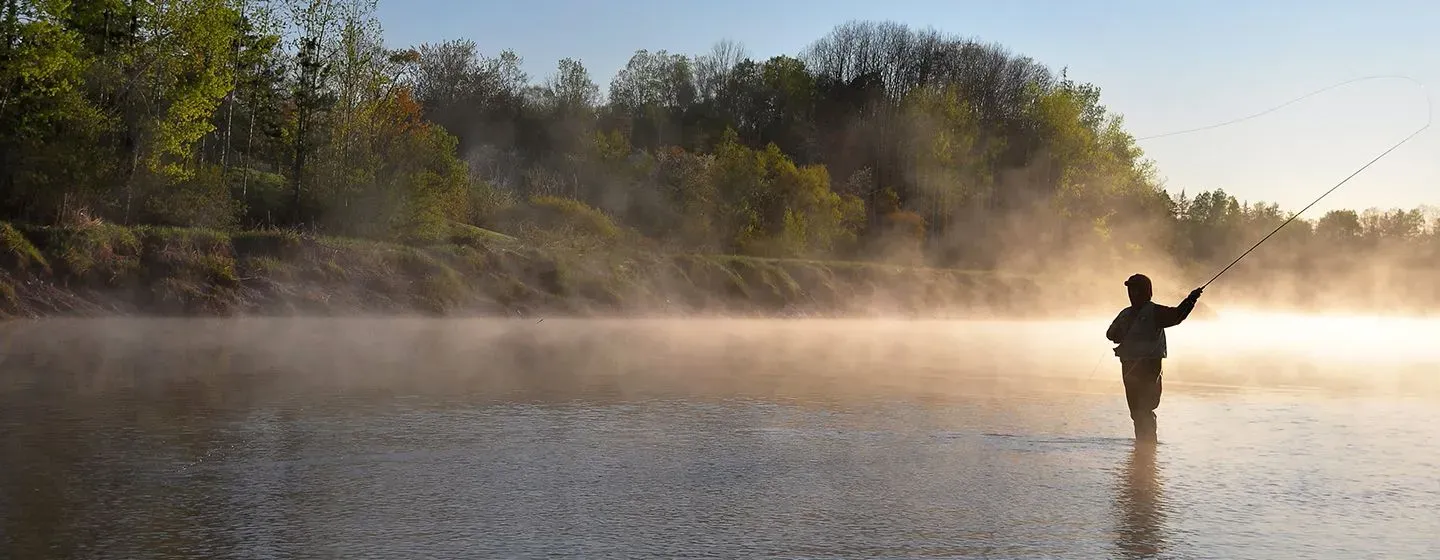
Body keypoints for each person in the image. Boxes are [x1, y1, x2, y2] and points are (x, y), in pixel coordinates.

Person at [1105, 274, 1203, 443]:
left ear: (1145, 291)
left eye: (1135, 289)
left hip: (1150, 366)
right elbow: (1110, 334)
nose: (1131, 293)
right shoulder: (1125, 314)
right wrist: (1120, 334)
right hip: (1129, 366)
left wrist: (1191, 299)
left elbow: (1177, 316)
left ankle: (1147, 447)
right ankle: (1144, 448)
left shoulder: (1155, 312)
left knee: (1146, 407)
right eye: (1130, 290)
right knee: (1136, 411)